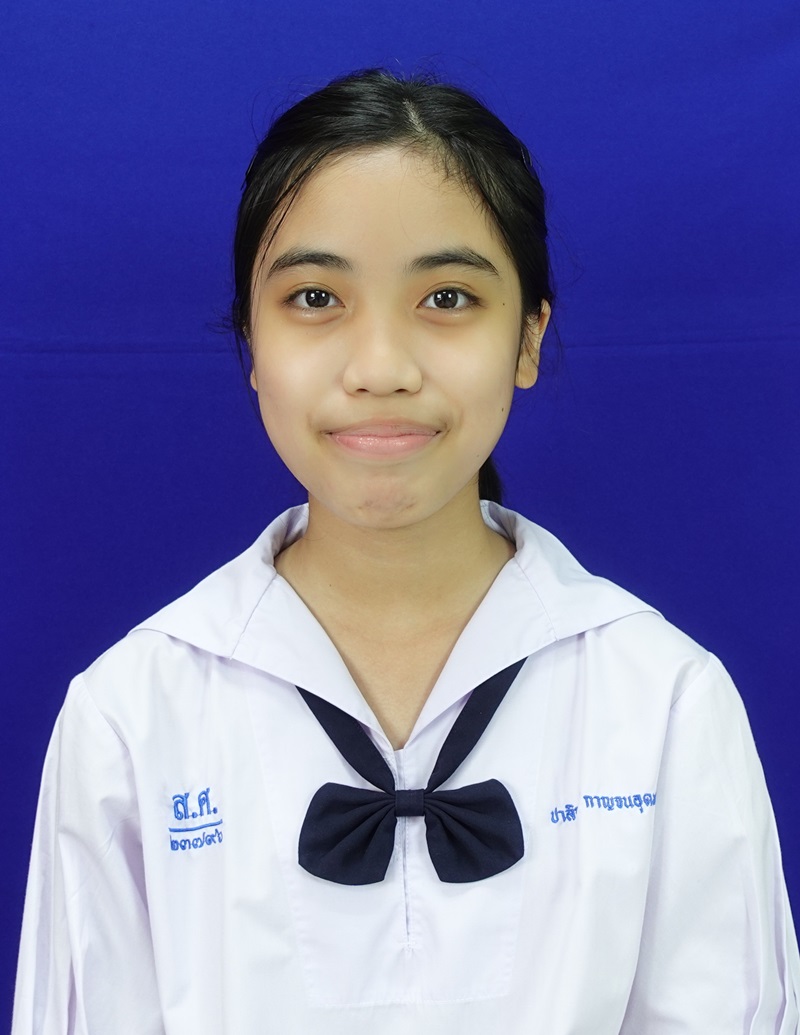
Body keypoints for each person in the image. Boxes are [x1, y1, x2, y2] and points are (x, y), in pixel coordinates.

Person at [12, 68, 799, 1034]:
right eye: (314, 296)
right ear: (250, 342)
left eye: (447, 297)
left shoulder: (665, 700)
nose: (380, 367)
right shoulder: (131, 716)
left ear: (530, 336)